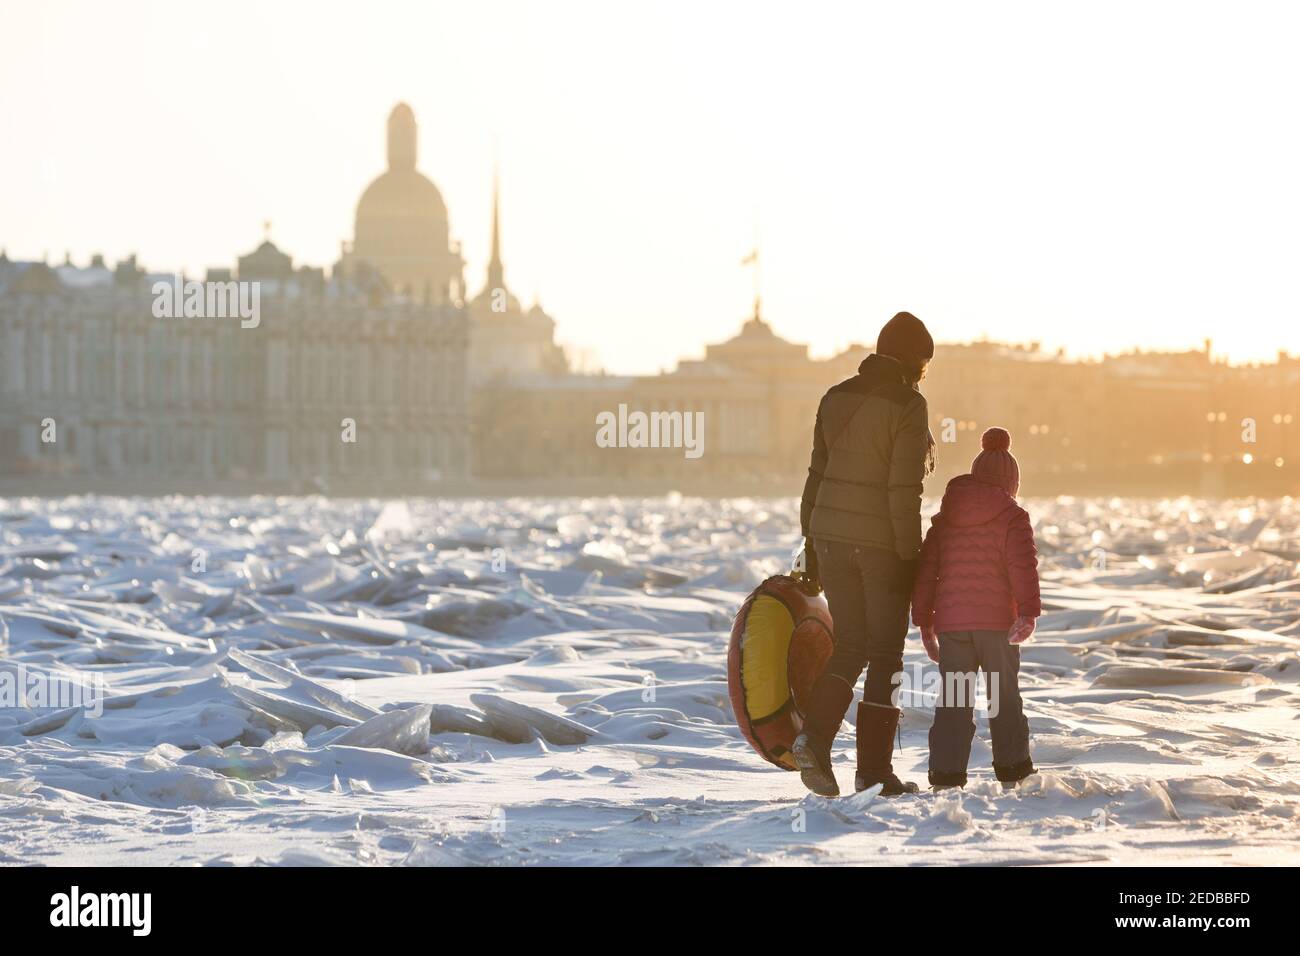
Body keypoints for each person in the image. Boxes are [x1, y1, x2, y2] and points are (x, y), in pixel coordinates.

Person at [792, 311, 935, 797]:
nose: (923, 373)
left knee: (850, 646)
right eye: (923, 363)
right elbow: (904, 489)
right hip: (880, 548)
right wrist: (908, 556)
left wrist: (810, 543)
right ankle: (874, 772)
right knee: (886, 655)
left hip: (830, 540)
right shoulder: (908, 406)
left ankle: (812, 739)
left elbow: (815, 477)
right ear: (913, 361)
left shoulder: (835, 397)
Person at [910, 426, 1040, 789]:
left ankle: (946, 777)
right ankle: (1014, 774)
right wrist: (1028, 613)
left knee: (954, 701)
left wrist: (924, 621)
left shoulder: (946, 516)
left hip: (953, 626)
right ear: (1011, 482)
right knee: (1003, 700)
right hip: (999, 626)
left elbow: (927, 571)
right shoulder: (1014, 516)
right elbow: (1022, 568)